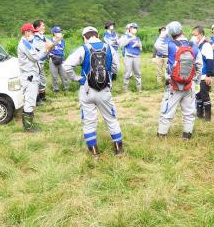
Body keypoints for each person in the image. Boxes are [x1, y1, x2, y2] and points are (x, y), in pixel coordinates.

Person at [62, 26, 123, 156]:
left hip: (86, 90)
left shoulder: (83, 49)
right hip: (105, 90)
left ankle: (95, 154)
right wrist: (108, 76)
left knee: (89, 122)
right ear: (98, 35)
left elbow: (66, 66)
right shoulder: (109, 48)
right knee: (111, 119)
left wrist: (78, 78)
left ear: (85, 37)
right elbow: (116, 69)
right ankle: (119, 150)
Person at [157, 21, 203, 139]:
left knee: (167, 111)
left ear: (171, 33)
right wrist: (195, 82)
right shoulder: (193, 46)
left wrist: (163, 34)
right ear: (182, 31)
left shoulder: (170, 45)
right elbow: (199, 66)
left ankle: (161, 136)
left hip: (173, 85)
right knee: (189, 112)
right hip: (189, 85)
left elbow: (157, 45)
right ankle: (187, 136)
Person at [17, 23, 54, 132]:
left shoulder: (27, 42)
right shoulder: (24, 44)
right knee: (30, 102)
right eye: (32, 32)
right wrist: (46, 49)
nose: (33, 34)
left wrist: (47, 48)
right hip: (29, 77)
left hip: (31, 75)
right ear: (26, 32)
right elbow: (35, 57)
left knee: (30, 101)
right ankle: (28, 128)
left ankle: (28, 125)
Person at [192, 26, 214, 120]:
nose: (194, 37)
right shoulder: (198, 45)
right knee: (198, 95)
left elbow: (210, 61)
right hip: (197, 77)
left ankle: (207, 117)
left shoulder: (206, 45)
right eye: (193, 35)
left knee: (204, 96)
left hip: (204, 76)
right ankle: (199, 114)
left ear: (201, 34)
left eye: (195, 35)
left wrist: (208, 75)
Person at [119, 23, 143, 92]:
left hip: (137, 57)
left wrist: (139, 45)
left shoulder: (137, 38)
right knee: (127, 72)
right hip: (128, 57)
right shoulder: (125, 36)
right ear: (129, 29)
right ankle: (125, 88)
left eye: (136, 28)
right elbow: (122, 44)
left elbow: (141, 49)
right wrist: (130, 39)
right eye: (133, 28)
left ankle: (139, 88)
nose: (135, 29)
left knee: (138, 73)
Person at [32, 19, 49, 105]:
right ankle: (37, 99)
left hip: (42, 61)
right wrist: (48, 46)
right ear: (38, 27)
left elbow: (49, 43)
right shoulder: (35, 38)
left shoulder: (42, 36)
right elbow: (44, 47)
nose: (44, 27)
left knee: (42, 79)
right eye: (43, 25)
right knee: (37, 80)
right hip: (37, 62)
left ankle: (42, 96)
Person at [48, 26, 69, 92]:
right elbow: (48, 50)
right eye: (58, 32)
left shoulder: (63, 41)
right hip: (53, 59)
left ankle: (66, 88)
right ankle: (55, 89)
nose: (60, 33)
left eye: (60, 32)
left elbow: (63, 50)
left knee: (64, 75)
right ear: (54, 33)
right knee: (54, 76)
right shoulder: (50, 41)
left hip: (61, 59)